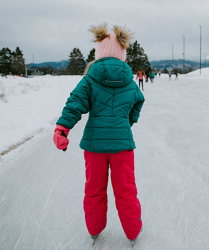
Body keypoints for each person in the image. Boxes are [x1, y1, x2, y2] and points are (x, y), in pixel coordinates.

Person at [52, 24, 144, 245]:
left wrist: (62, 128)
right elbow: (138, 103)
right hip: (122, 145)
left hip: (94, 147)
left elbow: (75, 104)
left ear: (99, 53)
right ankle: (133, 232)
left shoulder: (89, 79)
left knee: (94, 190)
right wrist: (126, 123)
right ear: (122, 53)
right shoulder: (131, 84)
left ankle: (94, 230)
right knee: (126, 191)